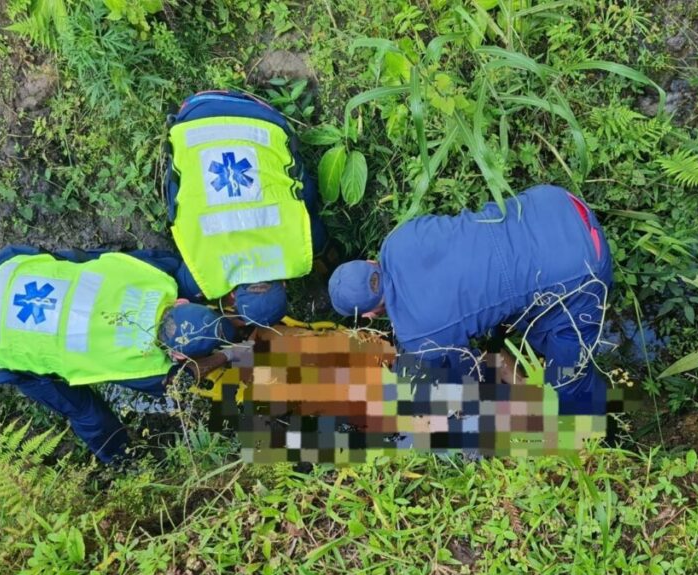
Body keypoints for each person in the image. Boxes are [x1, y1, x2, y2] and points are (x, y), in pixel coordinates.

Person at [327, 185, 613, 415]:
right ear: (368, 261)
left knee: (568, 386)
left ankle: (602, 434)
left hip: (582, 267)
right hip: (552, 203)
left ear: (368, 316)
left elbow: (466, 380)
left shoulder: (418, 335)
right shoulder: (399, 240)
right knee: (531, 319)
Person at [0, 244, 246, 464]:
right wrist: (230, 356)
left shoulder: (156, 273)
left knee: (87, 264)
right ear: (179, 356)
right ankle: (122, 461)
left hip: (11, 268)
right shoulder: (138, 364)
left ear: (181, 301)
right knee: (87, 412)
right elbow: (180, 384)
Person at [165, 90, 333, 328]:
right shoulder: (204, 272)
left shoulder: (302, 246)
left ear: (284, 285)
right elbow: (184, 288)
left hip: (263, 121)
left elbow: (306, 195)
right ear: (233, 295)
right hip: (192, 118)